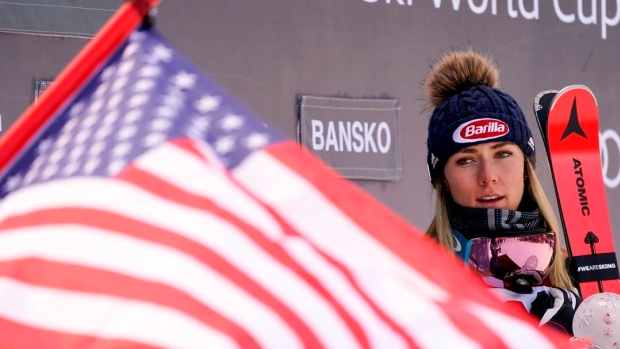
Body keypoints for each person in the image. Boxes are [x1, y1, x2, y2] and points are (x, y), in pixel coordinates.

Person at [423, 48, 581, 335]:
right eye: (465, 160)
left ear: (525, 166)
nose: (488, 177)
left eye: (503, 154)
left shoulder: (574, 276)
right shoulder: (413, 282)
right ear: (444, 179)